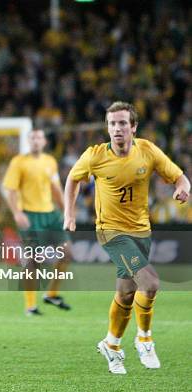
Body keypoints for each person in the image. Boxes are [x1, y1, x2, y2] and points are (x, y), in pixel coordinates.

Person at [63, 102, 190, 374]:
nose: (117, 129)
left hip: (141, 232)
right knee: (151, 282)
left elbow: (180, 177)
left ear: (133, 127)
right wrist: (69, 215)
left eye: (122, 123)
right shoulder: (94, 156)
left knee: (126, 293)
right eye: (112, 124)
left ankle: (112, 344)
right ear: (107, 127)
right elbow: (73, 179)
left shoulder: (148, 151)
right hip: (110, 231)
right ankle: (144, 339)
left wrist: (183, 188)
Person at [2, 129, 72, 316]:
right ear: (28, 141)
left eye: (38, 137)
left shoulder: (50, 162)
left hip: (51, 214)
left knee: (67, 254)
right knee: (33, 260)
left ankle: (51, 294)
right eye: (32, 137)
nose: (35, 140)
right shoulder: (18, 162)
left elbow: (56, 188)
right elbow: (10, 190)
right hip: (30, 216)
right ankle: (30, 306)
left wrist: (66, 209)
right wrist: (17, 212)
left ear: (44, 142)